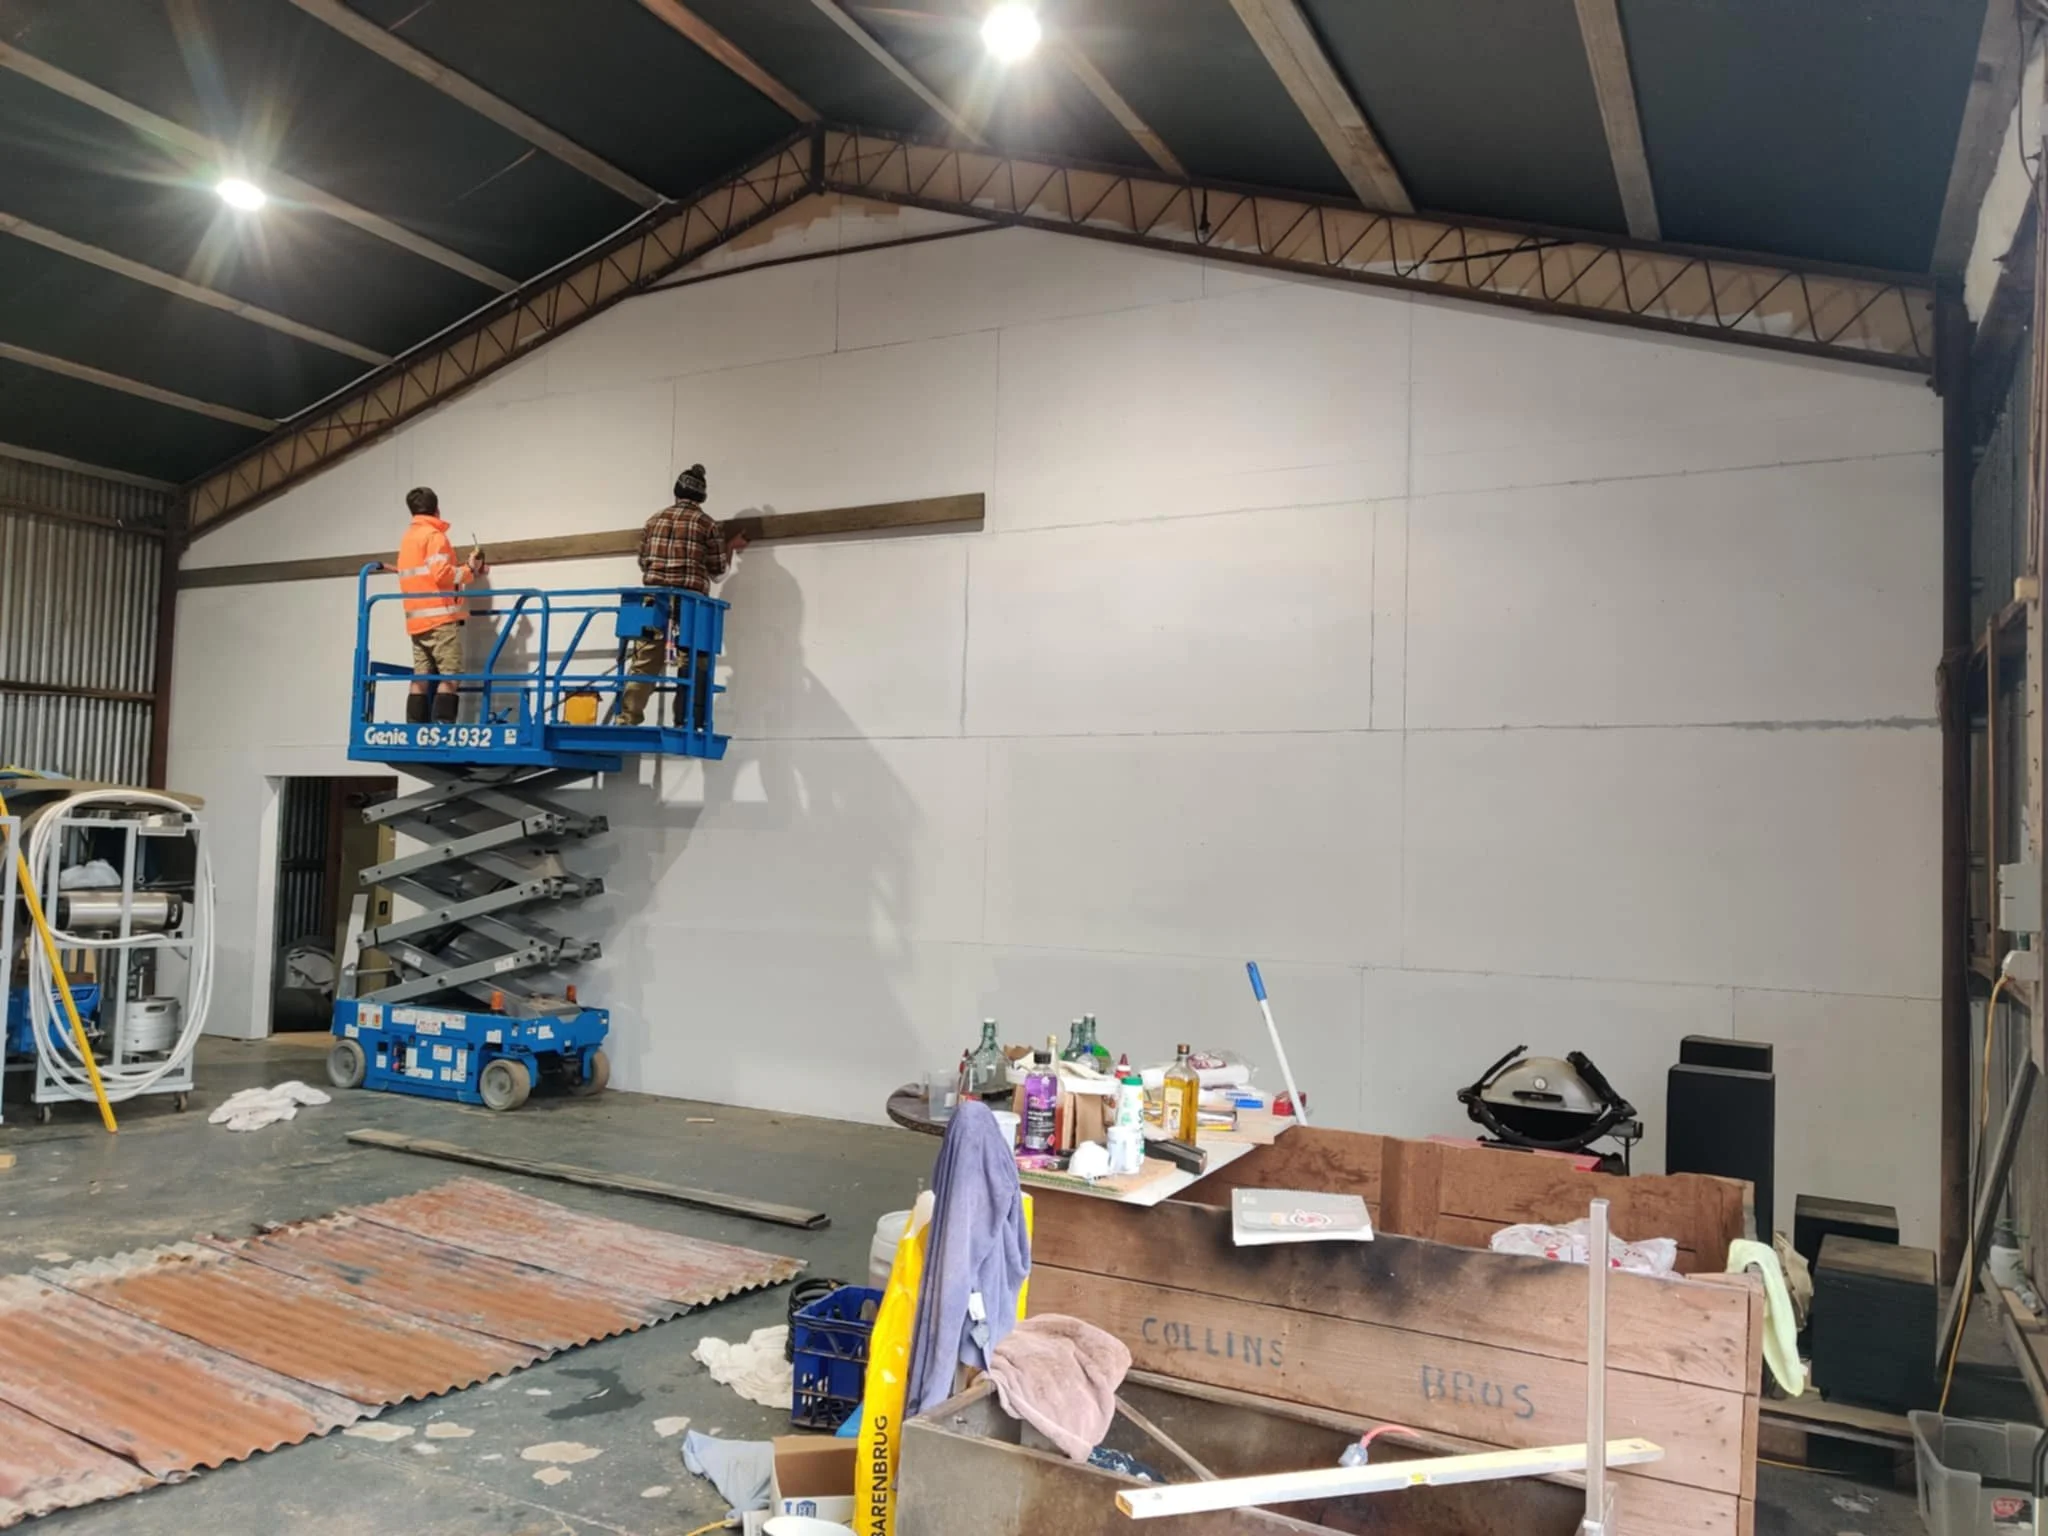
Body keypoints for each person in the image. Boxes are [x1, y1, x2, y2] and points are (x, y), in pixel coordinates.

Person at [620, 463, 747, 727]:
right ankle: (687, 720)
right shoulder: (707, 524)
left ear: (676, 491)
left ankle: (628, 718)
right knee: (692, 662)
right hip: (690, 604)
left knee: (644, 661)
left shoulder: (653, 520)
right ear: (702, 497)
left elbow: (643, 563)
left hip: (654, 601)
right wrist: (730, 547)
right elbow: (718, 573)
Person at [394, 486, 484, 724]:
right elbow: (441, 573)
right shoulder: (434, 537)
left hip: (416, 621)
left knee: (420, 675)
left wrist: (466, 571)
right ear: (437, 509)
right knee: (451, 675)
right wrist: (469, 570)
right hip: (440, 619)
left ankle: (414, 728)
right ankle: (443, 730)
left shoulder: (408, 538)